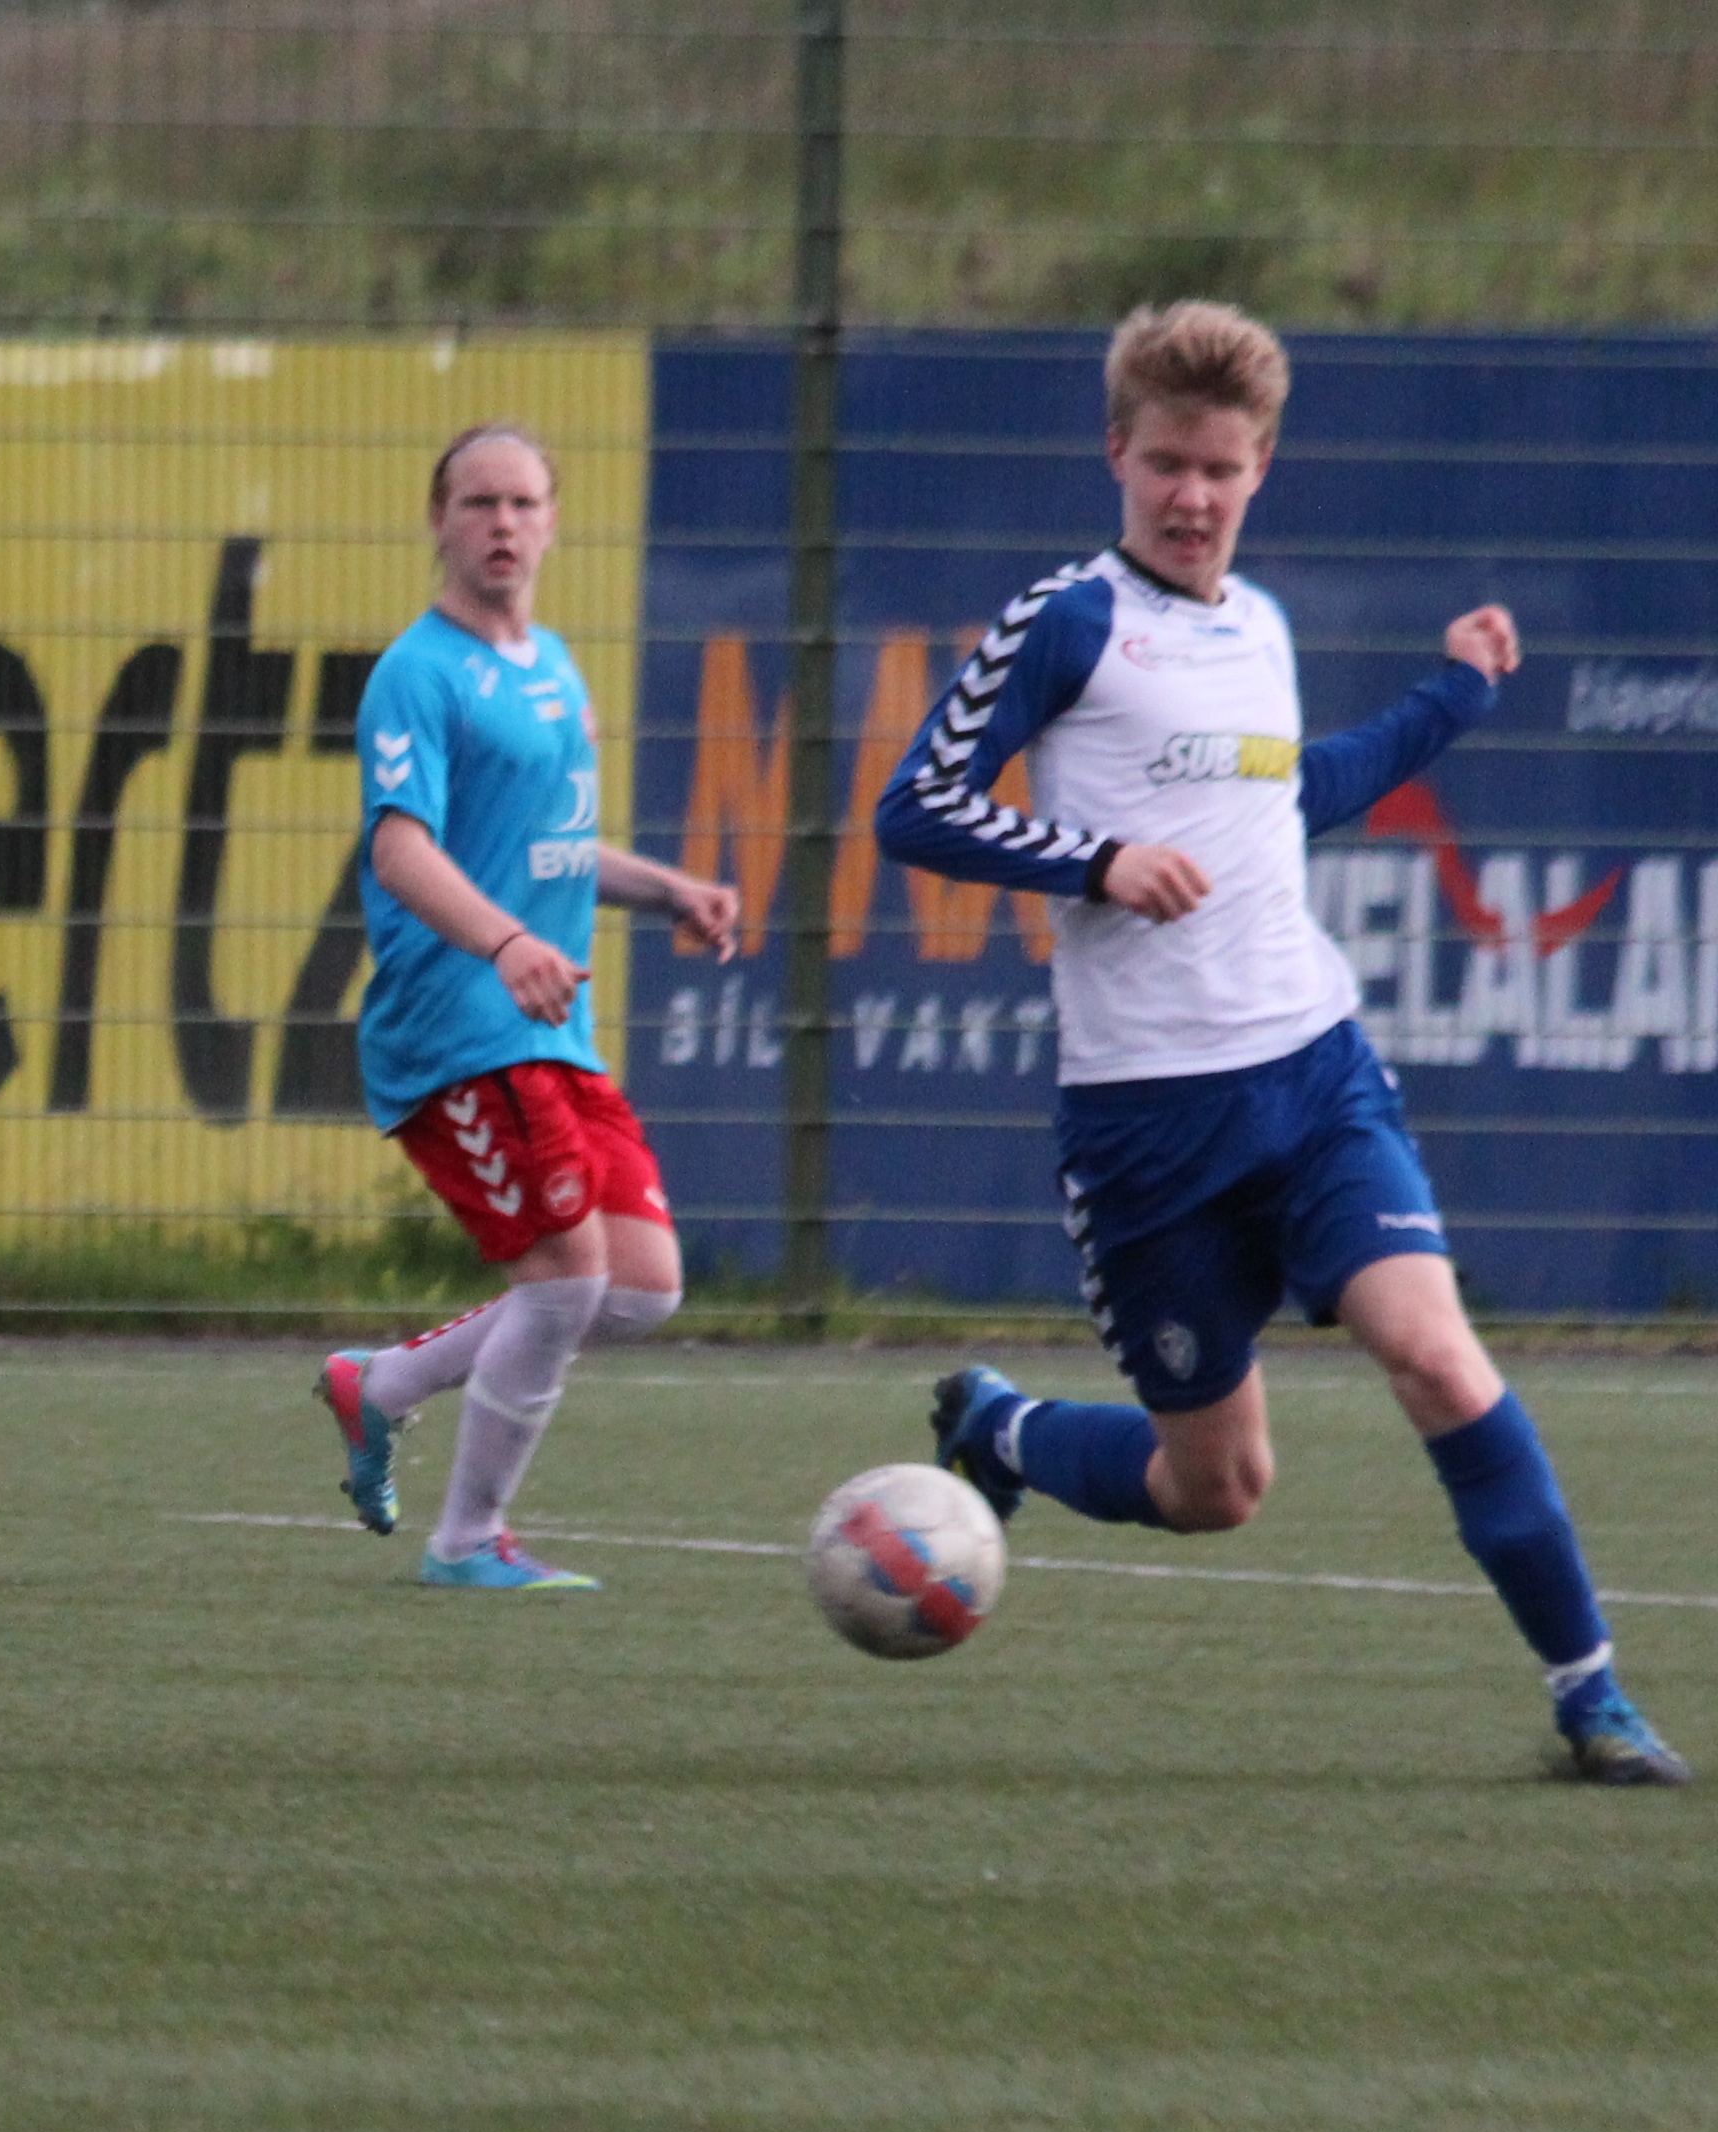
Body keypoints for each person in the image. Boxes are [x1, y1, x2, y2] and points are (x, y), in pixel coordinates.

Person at [872, 299, 1686, 1786]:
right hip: (1146, 1129)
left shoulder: (1260, 624)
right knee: (1218, 1486)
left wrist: (1456, 695)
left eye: (1221, 470)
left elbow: (1289, 798)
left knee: (1436, 1357)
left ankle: (1593, 1695)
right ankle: (1004, 1428)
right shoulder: (1067, 621)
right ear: (1116, 454)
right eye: (1167, 464)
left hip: (1312, 1077)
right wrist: (1098, 859)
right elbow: (914, 806)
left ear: (1261, 471)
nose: (1192, 497)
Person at [313, 425, 741, 1587]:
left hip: (551, 1030)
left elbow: (550, 850)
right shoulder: (418, 672)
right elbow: (401, 850)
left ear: (552, 521)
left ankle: (383, 1385)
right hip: (459, 1027)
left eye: (522, 502)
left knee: (641, 1285)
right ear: (438, 520)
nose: (502, 523)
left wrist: (669, 890)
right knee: (564, 1282)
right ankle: (466, 1541)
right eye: (478, 502)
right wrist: (503, 943)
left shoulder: (552, 665)